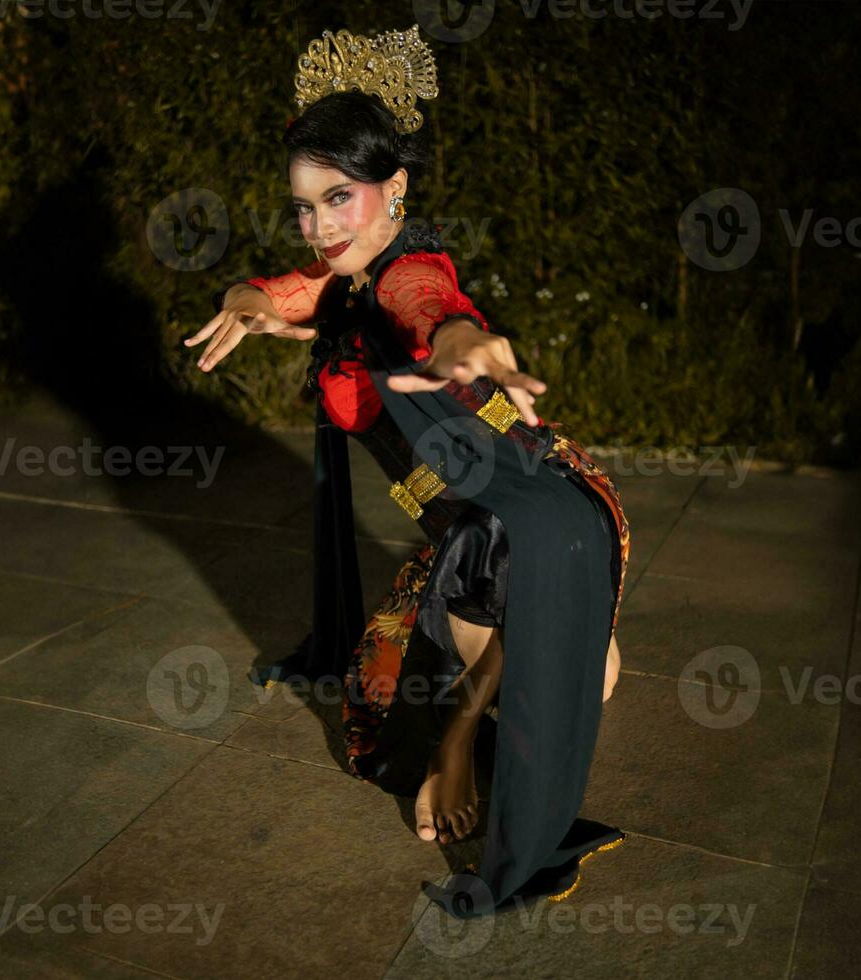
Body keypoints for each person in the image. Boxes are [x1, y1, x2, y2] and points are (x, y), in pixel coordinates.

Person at [181, 25, 632, 919]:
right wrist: (244, 301)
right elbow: (284, 292)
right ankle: (483, 717)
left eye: (338, 199)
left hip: (525, 509)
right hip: (471, 520)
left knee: (543, 675)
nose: (320, 226)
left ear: (395, 190)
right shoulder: (343, 277)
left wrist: (462, 341)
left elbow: (431, 305)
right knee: (569, 672)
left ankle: (463, 742)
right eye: (304, 207)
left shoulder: (406, 271)